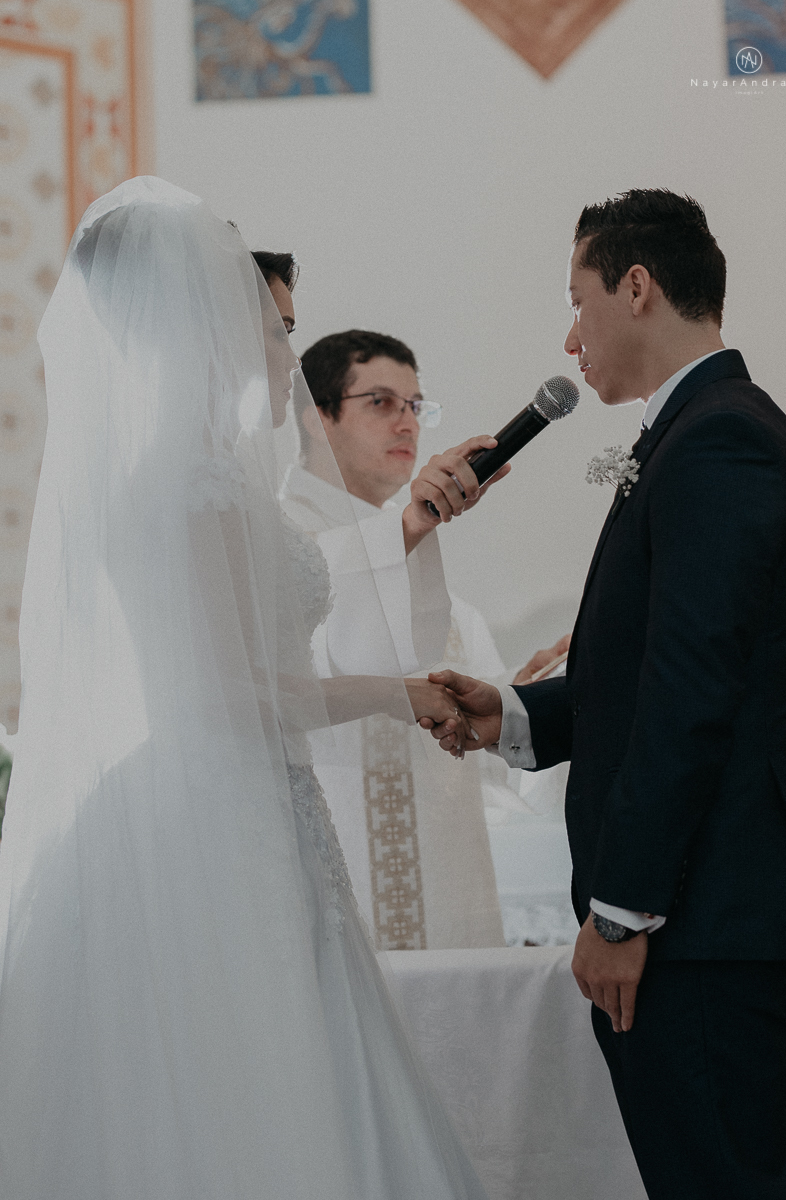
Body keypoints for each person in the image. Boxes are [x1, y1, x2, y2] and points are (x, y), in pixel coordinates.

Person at [0, 176, 489, 1200]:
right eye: (274, 332)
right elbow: (233, 698)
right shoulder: (193, 486)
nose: (284, 355)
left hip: (249, 802)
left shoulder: (194, 476)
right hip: (221, 814)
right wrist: (398, 692)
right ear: (207, 332)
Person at [427, 188, 786, 1199]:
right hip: (694, 909)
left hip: (692, 912)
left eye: (578, 302)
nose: (570, 338)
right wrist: (515, 714)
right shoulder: (697, 429)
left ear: (637, 286)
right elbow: (655, 672)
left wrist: (619, 916)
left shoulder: (721, 440)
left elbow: (693, 697)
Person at [259, 303, 568, 948]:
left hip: (450, 895)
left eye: (416, 406)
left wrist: (520, 695)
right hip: (331, 889)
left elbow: (481, 750)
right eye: (381, 402)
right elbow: (295, 678)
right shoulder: (273, 537)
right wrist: (410, 521)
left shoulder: (426, 578)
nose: (407, 421)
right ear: (318, 417)